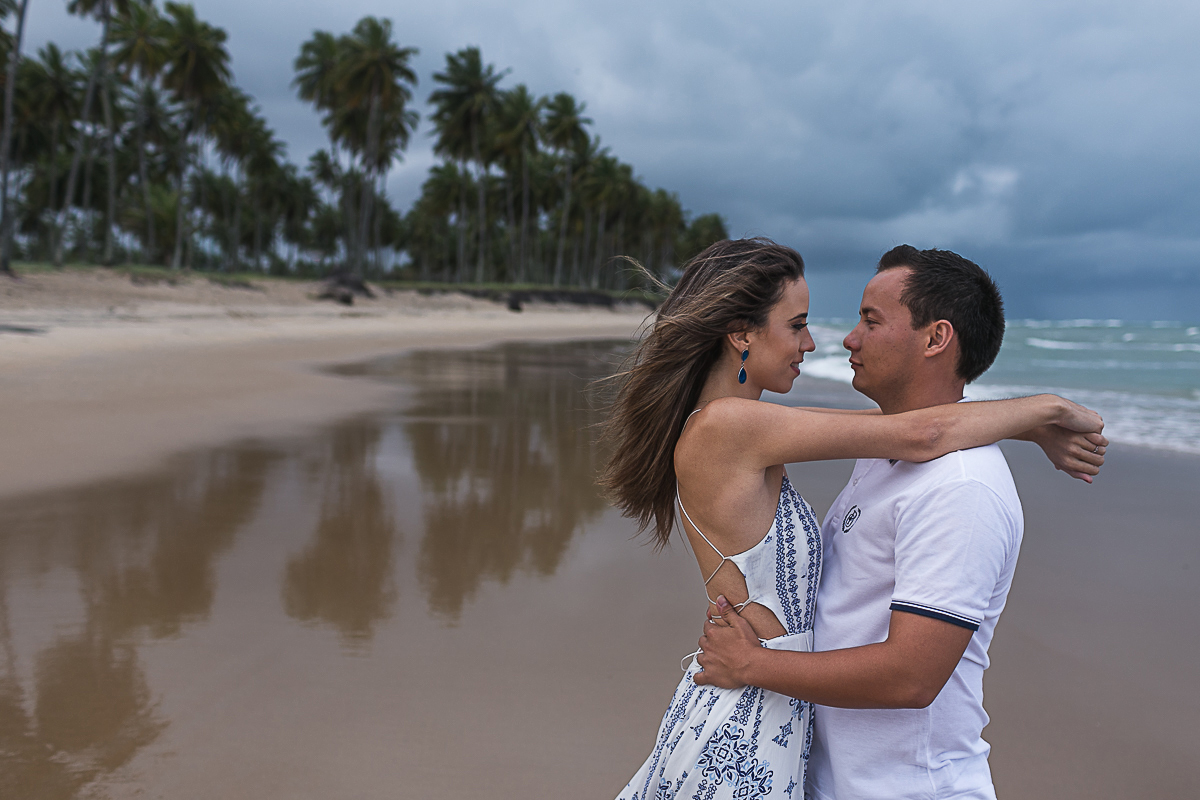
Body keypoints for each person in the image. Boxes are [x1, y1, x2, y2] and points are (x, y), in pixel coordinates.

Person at [600, 239, 1106, 800]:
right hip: (749, 725)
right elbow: (922, 433)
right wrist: (1044, 411)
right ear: (742, 334)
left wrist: (752, 664)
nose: (822, 341)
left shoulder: (952, 483)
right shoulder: (730, 429)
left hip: (795, 731)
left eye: (869, 319)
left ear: (937, 338)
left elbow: (921, 434)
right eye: (796, 325)